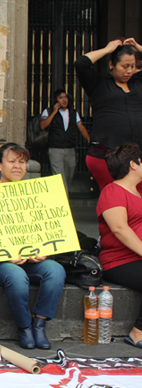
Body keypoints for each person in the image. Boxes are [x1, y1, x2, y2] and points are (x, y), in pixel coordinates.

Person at [0, 143, 66, 350]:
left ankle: (40, 324)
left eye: (22, 161)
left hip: (31, 259)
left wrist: (44, 250)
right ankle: (24, 326)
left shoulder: (37, 193)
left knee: (56, 270)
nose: (17, 166)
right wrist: (5, 255)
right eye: (12, 161)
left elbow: (48, 229)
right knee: (17, 276)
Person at [75, 38, 142, 190]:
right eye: (125, 66)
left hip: (137, 155)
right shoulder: (99, 83)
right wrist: (107, 49)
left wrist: (139, 48)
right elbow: (81, 64)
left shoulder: (138, 82)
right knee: (115, 196)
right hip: (106, 153)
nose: (129, 71)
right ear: (112, 64)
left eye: (132, 66)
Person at [96, 143, 142, 348]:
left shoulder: (138, 191)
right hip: (119, 260)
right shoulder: (112, 191)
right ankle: (138, 332)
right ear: (134, 164)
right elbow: (119, 229)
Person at [39, 89, 91, 195]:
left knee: (69, 173)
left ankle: (62, 193)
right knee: (59, 177)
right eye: (60, 98)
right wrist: (54, 112)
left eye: (65, 97)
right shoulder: (48, 111)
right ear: (55, 100)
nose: (64, 100)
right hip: (55, 148)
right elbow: (43, 125)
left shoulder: (73, 112)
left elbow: (80, 127)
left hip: (70, 148)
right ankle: (64, 200)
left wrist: (89, 139)